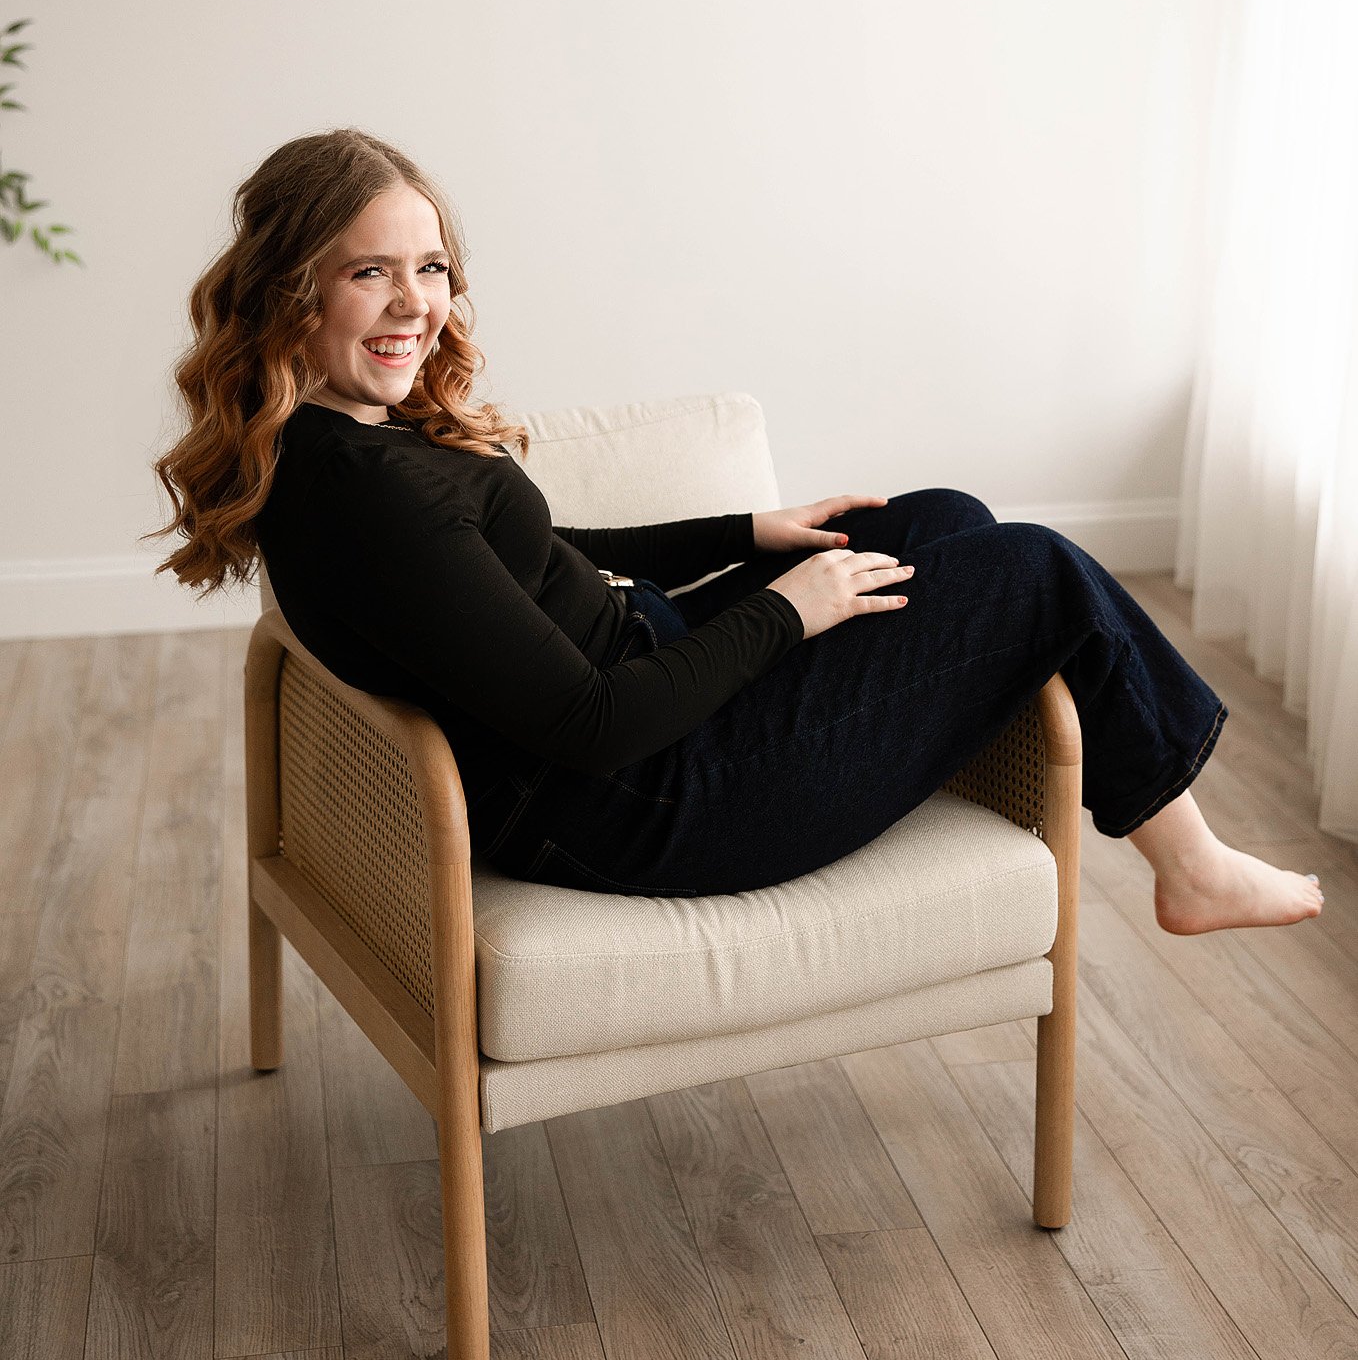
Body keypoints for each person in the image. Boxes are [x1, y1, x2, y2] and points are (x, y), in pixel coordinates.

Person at [151, 128, 1325, 932]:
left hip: (647, 686)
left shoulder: (351, 435)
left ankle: (935, 745)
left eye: (430, 266)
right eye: (370, 271)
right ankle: (1190, 866)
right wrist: (786, 612)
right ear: (292, 289)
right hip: (652, 801)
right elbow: (594, 725)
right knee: (1034, 570)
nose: (416, 302)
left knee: (927, 520)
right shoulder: (363, 492)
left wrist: (748, 533)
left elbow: (535, 559)